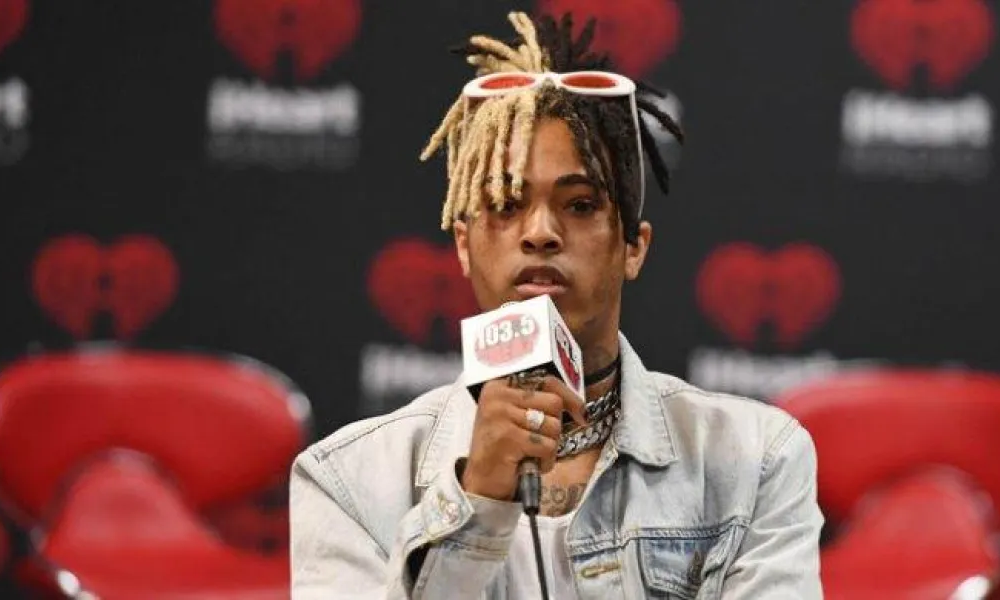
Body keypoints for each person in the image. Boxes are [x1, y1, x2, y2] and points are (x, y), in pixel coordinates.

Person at [289, 11, 824, 599]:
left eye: (580, 205)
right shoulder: (348, 480)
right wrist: (476, 499)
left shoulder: (755, 459)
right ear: (463, 245)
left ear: (633, 248)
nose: (540, 232)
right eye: (505, 203)